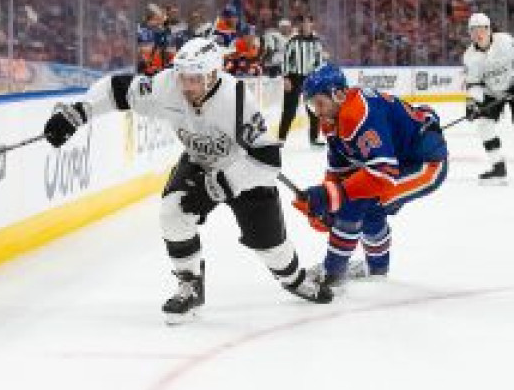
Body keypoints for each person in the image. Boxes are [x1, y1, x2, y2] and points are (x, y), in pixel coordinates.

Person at [43, 38, 333, 324]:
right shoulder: (166, 85)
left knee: (270, 247)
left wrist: (217, 187)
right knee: (173, 212)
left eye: (195, 79)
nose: (187, 86)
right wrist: (78, 112)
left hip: (243, 172)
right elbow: (116, 89)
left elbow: (267, 162)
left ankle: (294, 279)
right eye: (183, 77)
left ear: (213, 75)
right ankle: (190, 285)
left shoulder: (236, 99)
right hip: (199, 161)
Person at [292, 64, 448, 286]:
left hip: (426, 164)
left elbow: (382, 175)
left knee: (364, 202)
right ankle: (375, 271)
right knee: (357, 201)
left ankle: (335, 272)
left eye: (319, 103)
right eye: (312, 105)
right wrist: (326, 203)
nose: (316, 111)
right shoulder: (333, 117)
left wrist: (330, 196)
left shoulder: (358, 114)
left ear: (338, 94)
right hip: (397, 160)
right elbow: (339, 170)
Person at [463, 12, 514, 183]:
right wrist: (472, 104)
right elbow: (473, 83)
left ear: (489, 29)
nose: (478, 33)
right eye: (473, 30)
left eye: (482, 29)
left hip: (512, 84)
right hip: (492, 92)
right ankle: (498, 168)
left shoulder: (505, 41)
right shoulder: (469, 56)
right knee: (484, 125)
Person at [279, 15, 326, 145]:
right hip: (294, 78)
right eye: (303, 23)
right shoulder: (293, 40)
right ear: (300, 25)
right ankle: (281, 138)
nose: (305, 25)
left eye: (307, 22)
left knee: (313, 109)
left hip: (311, 79)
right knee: (289, 110)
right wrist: (286, 78)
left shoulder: (317, 42)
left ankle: (314, 138)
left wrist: (319, 79)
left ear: (312, 24)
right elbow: (285, 59)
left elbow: (319, 61)